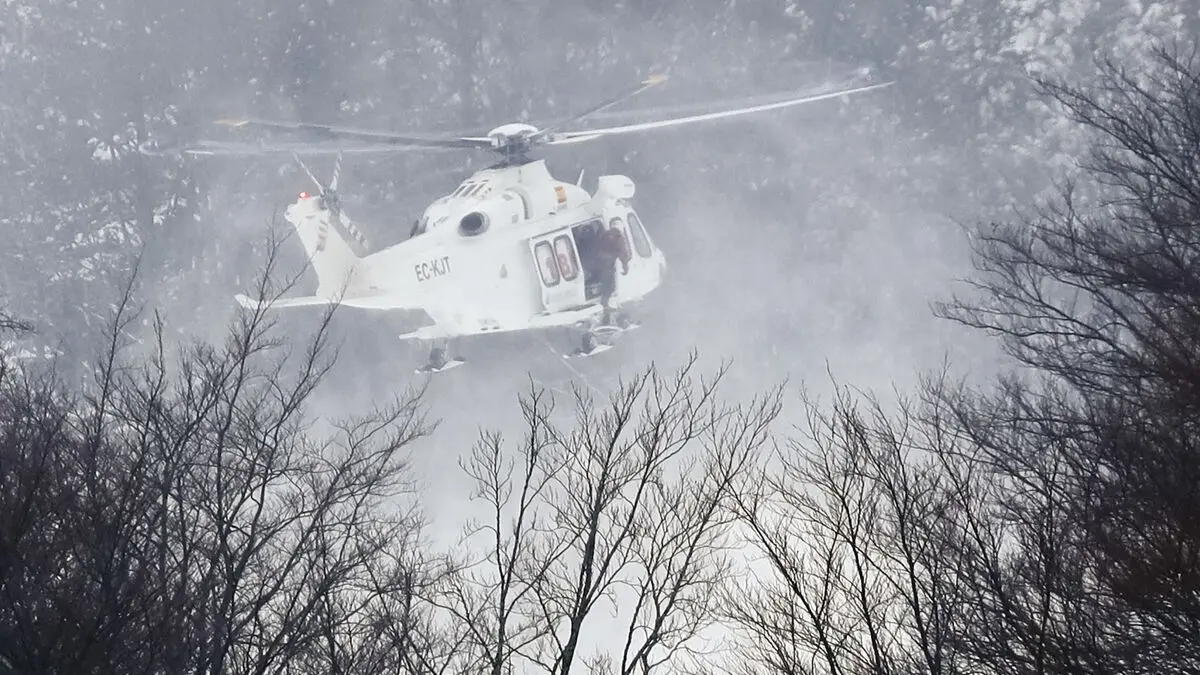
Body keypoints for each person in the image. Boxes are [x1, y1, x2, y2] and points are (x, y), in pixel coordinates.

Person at [594, 222, 632, 324]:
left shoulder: (605, 235)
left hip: (600, 262)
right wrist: (625, 265)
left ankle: (604, 303)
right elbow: (622, 252)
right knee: (609, 285)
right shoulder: (618, 238)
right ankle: (605, 305)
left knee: (605, 282)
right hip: (608, 263)